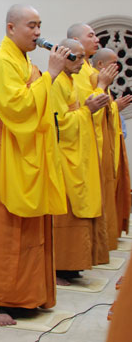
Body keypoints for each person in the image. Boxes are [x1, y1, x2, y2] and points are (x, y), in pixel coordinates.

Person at [0, 4, 68, 326]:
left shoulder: (24, 62)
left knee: (29, 229)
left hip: (26, 154)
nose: (38, 33)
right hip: (5, 156)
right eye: (31, 25)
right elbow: (17, 108)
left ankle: (25, 297)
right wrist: (50, 76)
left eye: (39, 25)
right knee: (4, 230)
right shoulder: (0, 62)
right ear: (11, 28)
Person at [51, 39, 110, 286]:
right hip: (63, 158)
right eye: (76, 57)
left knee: (80, 210)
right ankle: (58, 267)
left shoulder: (72, 80)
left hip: (77, 154)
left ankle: (73, 265)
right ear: (62, 56)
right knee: (66, 213)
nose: (82, 62)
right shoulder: (56, 83)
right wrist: (87, 111)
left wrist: (89, 108)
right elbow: (59, 124)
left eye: (84, 57)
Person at [68, 24, 121, 251]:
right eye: (91, 35)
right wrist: (101, 86)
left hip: (96, 139)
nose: (96, 40)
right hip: (81, 143)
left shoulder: (87, 68)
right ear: (75, 40)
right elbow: (86, 107)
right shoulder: (78, 73)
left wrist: (111, 101)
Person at [91, 47, 132, 238]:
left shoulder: (102, 84)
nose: (117, 67)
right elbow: (89, 113)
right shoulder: (90, 79)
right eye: (113, 63)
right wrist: (114, 106)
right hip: (93, 149)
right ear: (100, 64)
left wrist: (115, 107)